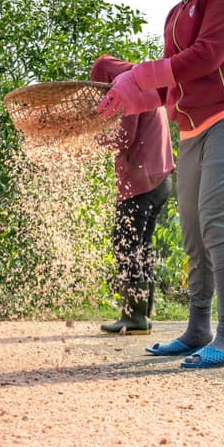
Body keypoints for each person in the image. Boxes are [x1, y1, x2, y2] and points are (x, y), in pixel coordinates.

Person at [96, 0, 224, 368]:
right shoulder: (176, 13)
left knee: (218, 224)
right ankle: (198, 329)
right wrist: (126, 98)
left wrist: (140, 74)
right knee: (193, 233)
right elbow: (171, 85)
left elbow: (205, 58)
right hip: (191, 129)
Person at [92, 55, 175, 335]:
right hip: (161, 179)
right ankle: (143, 314)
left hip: (140, 180)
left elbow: (123, 138)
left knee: (125, 244)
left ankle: (134, 316)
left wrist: (89, 140)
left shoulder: (125, 86)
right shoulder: (144, 80)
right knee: (142, 246)